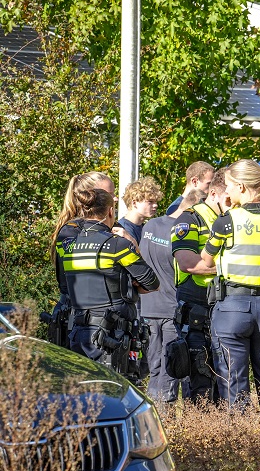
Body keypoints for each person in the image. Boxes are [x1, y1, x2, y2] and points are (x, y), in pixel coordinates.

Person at [200, 160, 260, 408]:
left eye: (229, 186)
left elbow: (206, 259)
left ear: (241, 187)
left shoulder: (226, 221)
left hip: (233, 308)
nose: (226, 192)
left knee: (234, 384)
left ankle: (241, 441)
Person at [59, 188, 159, 381]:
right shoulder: (118, 245)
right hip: (112, 335)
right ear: (110, 211)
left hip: (78, 332)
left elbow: (65, 286)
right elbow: (152, 283)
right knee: (116, 393)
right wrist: (132, 243)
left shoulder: (67, 245)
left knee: (82, 392)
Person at [171, 170, 232, 402]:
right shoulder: (189, 218)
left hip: (226, 304)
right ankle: (200, 429)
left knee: (227, 375)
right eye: (228, 197)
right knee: (200, 376)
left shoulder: (234, 219)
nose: (233, 202)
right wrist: (237, 268)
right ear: (214, 193)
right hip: (197, 305)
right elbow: (189, 264)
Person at [140, 188, 206, 402]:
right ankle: (166, 424)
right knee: (172, 368)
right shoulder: (184, 232)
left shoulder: (151, 225)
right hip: (171, 308)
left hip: (148, 307)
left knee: (155, 368)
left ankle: (152, 417)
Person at [48, 171, 116, 348]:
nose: (115, 199)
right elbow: (68, 282)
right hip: (79, 321)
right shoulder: (71, 231)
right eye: (109, 194)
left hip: (107, 319)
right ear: (91, 196)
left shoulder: (114, 229)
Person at [117, 177, 163, 246]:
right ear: (134, 203)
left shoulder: (145, 228)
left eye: (156, 202)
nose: (155, 205)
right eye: (150, 201)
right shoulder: (123, 229)